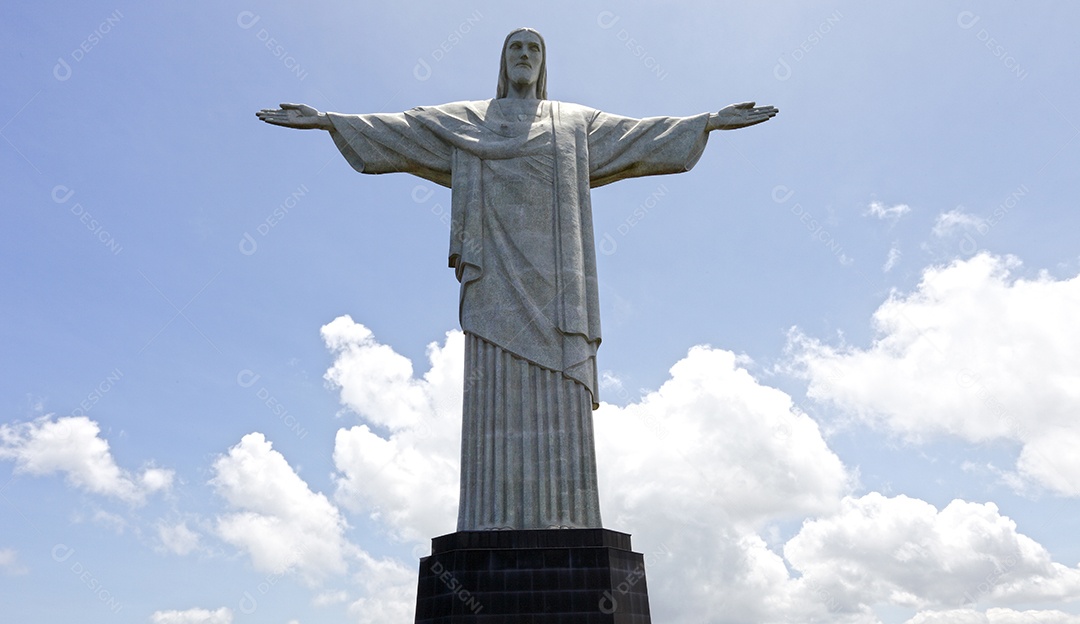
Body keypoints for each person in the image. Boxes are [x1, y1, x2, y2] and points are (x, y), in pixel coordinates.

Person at [257, 27, 777, 531]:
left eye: (534, 48)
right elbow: (404, 129)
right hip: (494, 286)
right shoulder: (467, 121)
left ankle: (570, 521)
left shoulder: (574, 122)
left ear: (544, 62)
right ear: (502, 61)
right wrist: (328, 120)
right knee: (493, 389)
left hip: (559, 289)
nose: (524, 54)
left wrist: (707, 121)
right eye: (515, 47)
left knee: (561, 390)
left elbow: (640, 135)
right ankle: (489, 519)